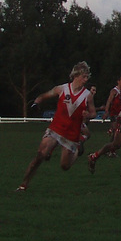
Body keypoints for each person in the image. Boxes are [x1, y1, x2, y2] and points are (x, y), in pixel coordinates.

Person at [17, 61, 96, 191]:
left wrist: (88, 114)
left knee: (65, 166)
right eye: (84, 77)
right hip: (55, 129)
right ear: (76, 75)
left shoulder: (87, 95)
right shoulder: (62, 89)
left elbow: (93, 113)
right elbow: (44, 95)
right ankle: (23, 185)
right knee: (40, 155)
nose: (86, 80)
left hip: (71, 134)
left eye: (87, 77)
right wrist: (36, 103)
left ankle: (76, 149)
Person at [102, 75, 121, 157]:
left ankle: (108, 149)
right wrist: (106, 112)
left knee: (116, 133)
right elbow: (109, 101)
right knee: (117, 132)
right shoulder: (114, 91)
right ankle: (111, 151)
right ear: (118, 81)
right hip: (114, 114)